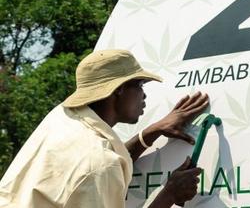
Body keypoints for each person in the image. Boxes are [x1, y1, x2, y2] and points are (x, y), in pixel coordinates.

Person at [0, 49, 210, 207]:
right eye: (139, 85)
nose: (144, 95)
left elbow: (99, 155)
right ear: (118, 90)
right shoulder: (100, 165)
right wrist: (169, 195)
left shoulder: (61, 117)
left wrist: (150, 133)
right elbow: (98, 163)